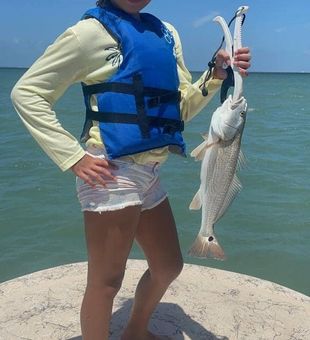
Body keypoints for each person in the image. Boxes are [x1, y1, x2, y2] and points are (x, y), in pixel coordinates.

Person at [11, 0, 251, 339]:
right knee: (107, 281)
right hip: (110, 169)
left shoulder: (166, 34)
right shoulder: (88, 34)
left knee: (168, 265)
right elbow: (28, 93)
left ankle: (135, 331)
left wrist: (215, 76)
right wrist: (73, 157)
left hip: (150, 171)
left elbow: (179, 109)